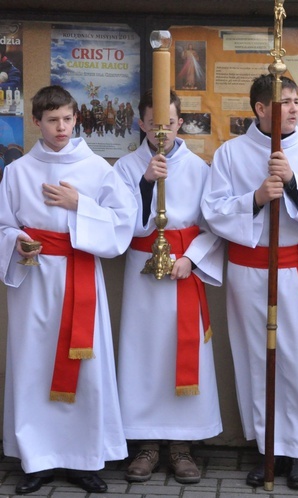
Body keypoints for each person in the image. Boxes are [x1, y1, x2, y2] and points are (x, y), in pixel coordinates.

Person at [201, 74, 298, 491]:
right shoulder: (231, 154)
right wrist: (254, 199)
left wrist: (290, 182)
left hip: (294, 268)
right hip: (250, 271)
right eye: (283, 101)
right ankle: (268, 449)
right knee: (256, 359)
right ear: (260, 109)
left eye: (294, 100)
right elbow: (212, 210)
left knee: (295, 360)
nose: (292, 108)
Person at [0, 85, 137, 494]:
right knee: (33, 366)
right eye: (52, 120)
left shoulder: (96, 169)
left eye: (67, 118)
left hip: (80, 276)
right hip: (34, 278)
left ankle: (83, 459)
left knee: (87, 368)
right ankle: (37, 459)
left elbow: (123, 222)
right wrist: (16, 241)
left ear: (76, 118)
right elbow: (3, 224)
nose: (61, 127)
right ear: (37, 122)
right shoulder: (18, 171)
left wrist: (80, 205)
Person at [114, 89, 223, 485]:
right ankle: (146, 443)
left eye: (170, 121)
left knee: (184, 351)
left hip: (183, 270)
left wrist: (190, 258)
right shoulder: (126, 167)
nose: (162, 128)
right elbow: (119, 221)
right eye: (154, 121)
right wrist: (145, 182)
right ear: (141, 123)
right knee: (144, 354)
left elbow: (214, 226)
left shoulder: (199, 168)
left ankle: (181, 446)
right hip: (141, 271)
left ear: (180, 122)